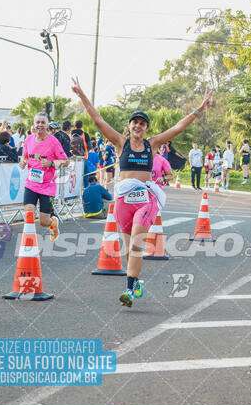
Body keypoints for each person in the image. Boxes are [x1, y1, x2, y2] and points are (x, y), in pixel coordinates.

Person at [71, 76, 213, 308]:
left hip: (145, 200)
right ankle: (135, 283)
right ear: (129, 126)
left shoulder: (153, 144)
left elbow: (178, 127)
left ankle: (129, 290)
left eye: (142, 124)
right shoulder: (120, 142)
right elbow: (97, 120)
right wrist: (81, 94)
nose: (138, 126)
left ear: (146, 128)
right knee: (129, 249)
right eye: (134, 123)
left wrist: (199, 108)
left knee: (137, 244)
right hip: (123, 202)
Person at [20, 112, 69, 241]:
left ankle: (53, 222)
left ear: (47, 125)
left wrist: (51, 163)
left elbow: (65, 161)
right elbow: (25, 155)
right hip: (31, 184)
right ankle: (29, 243)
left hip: (47, 187)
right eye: (38, 122)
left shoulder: (53, 141)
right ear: (34, 124)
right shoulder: (29, 139)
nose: (40, 125)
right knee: (29, 213)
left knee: (43, 221)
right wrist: (23, 161)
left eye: (43, 122)